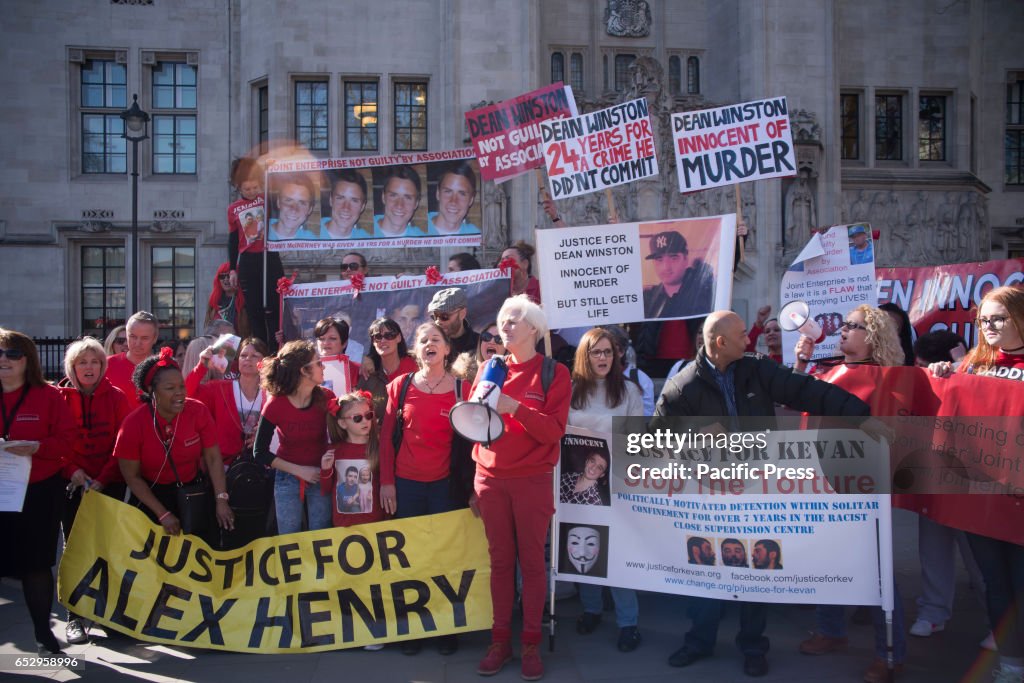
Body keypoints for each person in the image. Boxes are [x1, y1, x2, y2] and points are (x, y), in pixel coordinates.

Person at [654, 310, 870, 678]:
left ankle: (753, 647)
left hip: (758, 494)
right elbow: (657, 442)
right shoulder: (681, 387)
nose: (748, 339)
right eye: (741, 334)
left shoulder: (758, 369)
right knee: (706, 572)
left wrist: (862, 414)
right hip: (709, 500)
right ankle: (698, 642)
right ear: (720, 343)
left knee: (755, 571)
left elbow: (806, 391)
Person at [793, 305, 907, 683]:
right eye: (843, 325)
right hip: (824, 482)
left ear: (872, 336)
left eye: (853, 327)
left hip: (866, 486)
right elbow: (796, 399)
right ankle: (831, 631)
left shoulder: (890, 378)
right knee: (828, 561)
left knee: (877, 574)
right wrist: (800, 364)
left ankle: (889, 652)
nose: (842, 332)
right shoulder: (826, 370)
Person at [474, 295, 571, 681]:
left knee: (531, 563)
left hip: (531, 480)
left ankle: (529, 643)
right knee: (499, 562)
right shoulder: (488, 367)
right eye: (503, 320)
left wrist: (516, 409)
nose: (506, 326)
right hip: (491, 479)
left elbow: (553, 431)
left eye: (514, 319)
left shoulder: (554, 372)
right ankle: (500, 641)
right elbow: (473, 425)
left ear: (534, 327)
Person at [930, 285, 1024, 683]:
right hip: (982, 498)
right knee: (995, 584)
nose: (988, 326)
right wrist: (939, 377)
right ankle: (1012, 664)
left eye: (997, 318)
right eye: (983, 319)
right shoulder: (972, 364)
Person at [378, 322, 468, 656]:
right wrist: (387, 481)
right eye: (423, 340)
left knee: (442, 557)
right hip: (406, 485)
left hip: (444, 486)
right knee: (409, 558)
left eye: (436, 340)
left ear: (447, 349)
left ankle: (445, 627)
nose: (429, 344)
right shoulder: (399, 386)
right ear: (416, 349)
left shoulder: (463, 389)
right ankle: (411, 629)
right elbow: (386, 439)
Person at [0, 330, 76, 654]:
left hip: (38, 491)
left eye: (11, 354)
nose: (3, 360)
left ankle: (44, 634)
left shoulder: (49, 397)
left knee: (36, 565)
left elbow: (67, 443)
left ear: (27, 359)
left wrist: (37, 447)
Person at [114, 347, 234, 540]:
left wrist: (221, 499)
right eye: (170, 388)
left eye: (181, 387)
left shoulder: (198, 411)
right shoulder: (132, 424)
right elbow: (132, 477)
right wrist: (162, 513)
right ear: (152, 390)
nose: (179, 393)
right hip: (151, 497)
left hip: (193, 493)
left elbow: (213, 458)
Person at [57, 337, 132, 644]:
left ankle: (107, 614)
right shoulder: (58, 397)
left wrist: (101, 479)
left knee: (107, 547)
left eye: (95, 362)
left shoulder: (115, 397)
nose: (89, 368)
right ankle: (75, 616)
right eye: (82, 362)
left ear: (103, 365)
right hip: (70, 483)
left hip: (107, 483)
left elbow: (122, 444)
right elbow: (54, 440)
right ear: (72, 366)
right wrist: (74, 472)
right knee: (75, 549)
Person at [253, 341, 335, 533]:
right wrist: (300, 471)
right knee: (289, 535)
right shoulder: (275, 404)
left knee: (321, 533)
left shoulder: (326, 397)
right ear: (304, 371)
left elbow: (341, 433)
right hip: (288, 475)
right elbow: (259, 452)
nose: (323, 366)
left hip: (320, 474)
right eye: (318, 363)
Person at [228, 158, 285, 351]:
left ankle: (276, 347)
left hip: (269, 256)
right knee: (254, 309)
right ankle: (261, 349)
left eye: (255, 187)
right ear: (239, 188)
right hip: (248, 260)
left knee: (273, 305)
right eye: (247, 189)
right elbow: (233, 241)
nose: (252, 192)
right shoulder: (233, 209)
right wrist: (232, 268)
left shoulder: (266, 199)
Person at [185, 337, 268, 467]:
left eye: (255, 355)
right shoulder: (219, 389)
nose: (247, 359)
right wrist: (202, 366)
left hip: (261, 469)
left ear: (264, 362)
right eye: (243, 355)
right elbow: (187, 395)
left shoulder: (272, 394)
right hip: (224, 468)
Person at [357, 317, 420, 420]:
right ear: (373, 342)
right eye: (377, 337)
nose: (383, 340)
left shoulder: (416, 364)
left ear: (399, 338)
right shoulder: (368, 372)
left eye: (389, 335)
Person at [642, 230, 714, 319]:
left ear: (685, 259)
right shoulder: (648, 299)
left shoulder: (705, 292)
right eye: (659, 259)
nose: (666, 267)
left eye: (673, 258)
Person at [106, 310, 160, 409]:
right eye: (133, 337)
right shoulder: (106, 365)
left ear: (155, 338)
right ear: (126, 335)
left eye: (144, 338)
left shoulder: (163, 367)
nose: (138, 343)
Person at [599, 324, 654, 417]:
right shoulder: (586, 379)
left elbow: (646, 418)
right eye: (597, 350)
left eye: (609, 349)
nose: (602, 355)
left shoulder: (640, 379)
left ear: (621, 351)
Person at [427, 162, 479, 235]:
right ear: (438, 193)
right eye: (448, 191)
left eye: (462, 194)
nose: (453, 201)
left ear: (471, 200)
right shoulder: (420, 229)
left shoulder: (476, 235)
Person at [313, 318, 360, 392]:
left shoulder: (358, 370)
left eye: (332, 338)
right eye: (321, 339)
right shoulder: (306, 369)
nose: (326, 343)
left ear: (344, 343)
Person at [428, 287, 479, 356]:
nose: (438, 321)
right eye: (435, 316)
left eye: (444, 316)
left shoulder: (480, 344)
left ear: (462, 314)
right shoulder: (429, 344)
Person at [451, 320, 505, 385]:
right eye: (486, 336)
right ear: (480, 342)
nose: (491, 341)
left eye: (499, 339)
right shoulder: (461, 371)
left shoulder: (513, 374)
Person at [321, 170, 371, 240]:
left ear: (362, 206)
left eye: (354, 201)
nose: (346, 208)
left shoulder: (366, 240)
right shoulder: (314, 235)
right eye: (340, 198)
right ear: (331, 200)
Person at [374, 165, 422, 237]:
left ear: (416, 203)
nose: (399, 205)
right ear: (383, 197)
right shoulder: (366, 234)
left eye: (407, 198)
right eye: (393, 195)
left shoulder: (420, 238)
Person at [204, 262, 249, 338]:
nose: (226, 279)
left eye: (228, 275)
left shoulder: (246, 302)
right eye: (222, 276)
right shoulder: (214, 302)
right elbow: (208, 327)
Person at [269, 173, 318, 240]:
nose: (294, 209)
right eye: (288, 200)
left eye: (302, 203)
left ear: (309, 209)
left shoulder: (311, 240)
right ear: (278, 202)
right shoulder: (263, 231)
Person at [879, 302, 916, 366]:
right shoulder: (858, 357)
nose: (888, 333)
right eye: (884, 325)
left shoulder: (908, 364)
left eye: (895, 329)